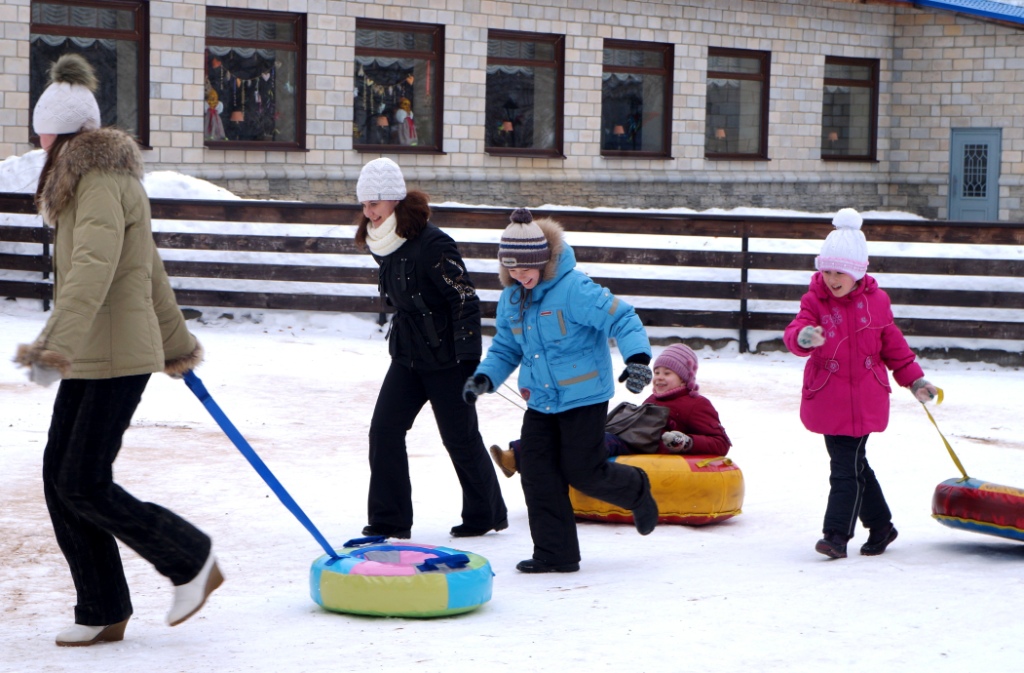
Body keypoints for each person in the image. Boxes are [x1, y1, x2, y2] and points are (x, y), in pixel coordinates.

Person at [14, 54, 220, 647]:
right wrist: (176, 345)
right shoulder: (94, 180)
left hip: (113, 355)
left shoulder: (100, 181)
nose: (38, 140)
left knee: (80, 481)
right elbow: (148, 270)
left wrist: (51, 346)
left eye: (42, 130)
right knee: (62, 478)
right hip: (97, 352)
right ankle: (102, 607)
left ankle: (190, 558)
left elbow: (92, 270)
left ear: (61, 133)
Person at [463, 207, 659, 574]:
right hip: (541, 401)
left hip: (584, 397)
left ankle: (635, 488)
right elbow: (506, 348)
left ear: (543, 259)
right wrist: (485, 378)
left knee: (583, 471)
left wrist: (637, 359)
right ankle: (556, 553)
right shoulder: (512, 299)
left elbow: (622, 317)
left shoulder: (574, 289)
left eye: (526, 268)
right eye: (511, 270)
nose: (519, 276)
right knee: (537, 474)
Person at [355, 157, 507, 540]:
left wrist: (468, 360)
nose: (368, 211)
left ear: (394, 199)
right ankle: (389, 520)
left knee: (459, 437)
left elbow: (464, 298)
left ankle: (485, 513)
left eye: (374, 203)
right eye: (364, 204)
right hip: (407, 356)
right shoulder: (383, 241)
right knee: (384, 431)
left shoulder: (433, 243)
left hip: (447, 358)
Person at [783, 208, 939, 560]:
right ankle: (881, 526)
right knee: (855, 466)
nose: (832, 279)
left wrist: (914, 380)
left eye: (840, 272)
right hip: (828, 396)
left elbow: (894, 347)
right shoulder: (814, 300)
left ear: (857, 272)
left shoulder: (877, 303)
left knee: (844, 469)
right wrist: (803, 337)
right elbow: (797, 328)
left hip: (865, 397)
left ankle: (836, 535)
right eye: (827, 271)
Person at [489, 343, 731, 477]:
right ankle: (515, 454)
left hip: (638, 447)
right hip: (627, 438)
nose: (658, 377)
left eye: (667, 373)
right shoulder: (654, 398)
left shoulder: (696, 404)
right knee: (573, 432)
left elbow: (720, 442)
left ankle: (523, 459)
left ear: (684, 377)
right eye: (657, 372)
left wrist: (686, 442)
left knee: (590, 443)